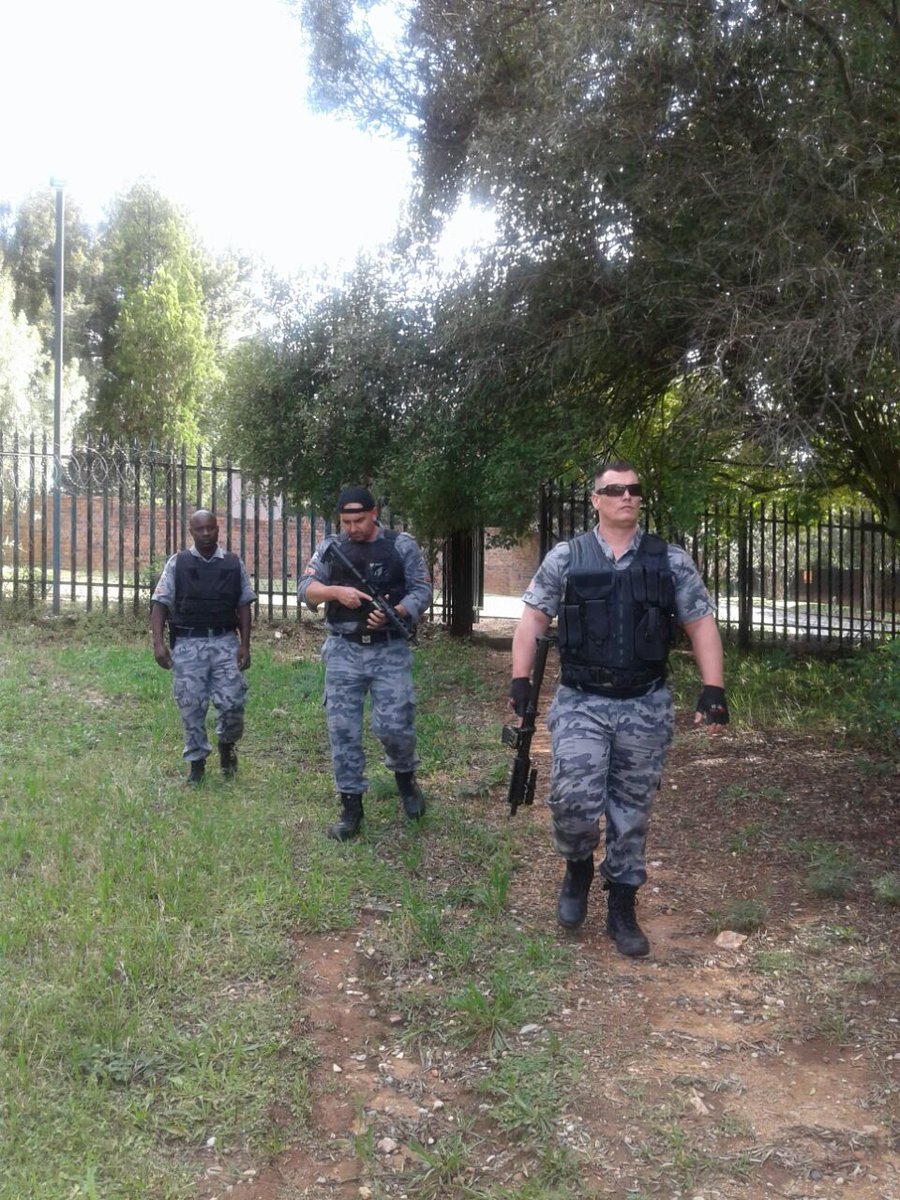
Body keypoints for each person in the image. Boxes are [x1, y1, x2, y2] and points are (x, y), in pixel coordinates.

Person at [510, 460, 729, 956]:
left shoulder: (669, 560)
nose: (626, 496)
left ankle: (622, 905)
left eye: (633, 489)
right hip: (582, 700)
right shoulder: (567, 557)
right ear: (596, 500)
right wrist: (520, 680)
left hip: (644, 702)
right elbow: (532, 620)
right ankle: (578, 867)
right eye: (614, 490)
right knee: (572, 801)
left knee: (631, 812)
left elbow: (700, 624)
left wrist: (713, 689)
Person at [298, 486, 433, 840]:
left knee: (395, 726)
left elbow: (422, 590)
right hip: (344, 649)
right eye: (346, 522)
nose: (352, 528)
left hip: (389, 649)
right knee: (342, 731)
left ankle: (405, 779)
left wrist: (397, 611)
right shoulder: (331, 548)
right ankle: (351, 807)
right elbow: (305, 587)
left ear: (374, 513)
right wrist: (335, 592)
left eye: (359, 520)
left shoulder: (401, 546)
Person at [151, 509, 255, 784]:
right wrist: (158, 644)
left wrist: (245, 645)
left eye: (211, 528)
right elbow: (160, 603)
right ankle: (197, 764)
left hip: (225, 641)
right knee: (191, 706)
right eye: (200, 529)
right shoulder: (178, 563)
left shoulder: (232, 563)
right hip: (188, 643)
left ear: (218, 529)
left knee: (233, 703)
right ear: (191, 532)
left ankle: (227, 746)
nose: (206, 533)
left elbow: (244, 604)